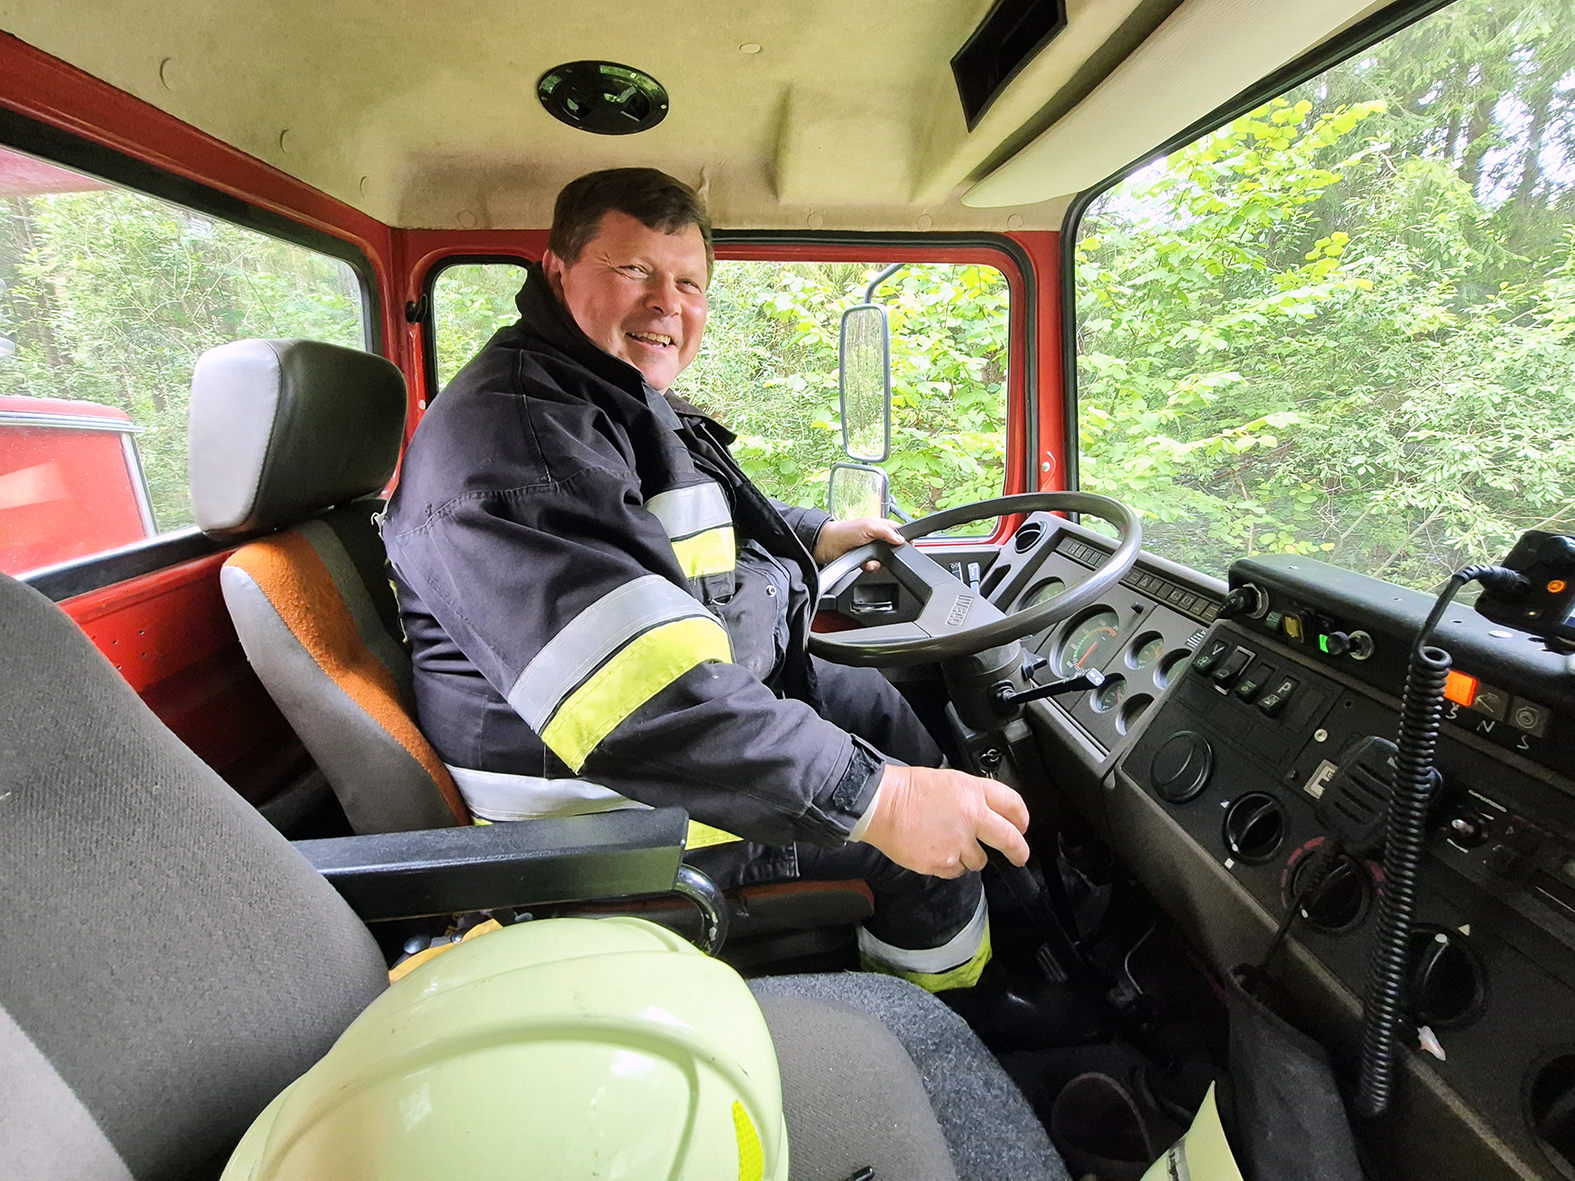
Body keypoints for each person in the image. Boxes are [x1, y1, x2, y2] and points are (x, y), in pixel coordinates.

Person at [383, 167, 1032, 992]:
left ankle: (1004, 920)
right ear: (556, 270)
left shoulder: (591, 389)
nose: (666, 303)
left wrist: (813, 534)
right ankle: (941, 1013)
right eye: (633, 269)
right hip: (597, 811)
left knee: (869, 703)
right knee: (911, 851)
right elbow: (641, 704)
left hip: (617, 757)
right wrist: (887, 804)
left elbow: (662, 508)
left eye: (687, 283)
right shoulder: (516, 443)